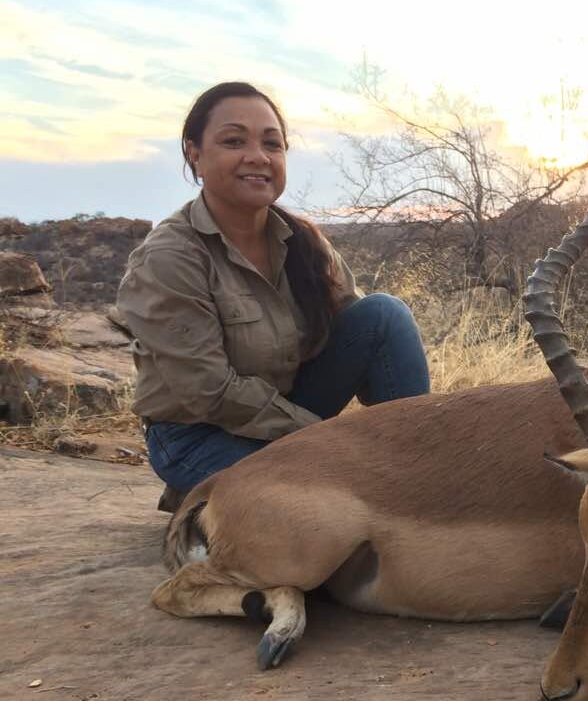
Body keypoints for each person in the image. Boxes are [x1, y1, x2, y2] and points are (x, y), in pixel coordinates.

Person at [118, 82, 430, 512]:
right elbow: (207, 391)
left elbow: (357, 336)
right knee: (331, 509)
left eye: (272, 144)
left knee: (383, 314)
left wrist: (370, 441)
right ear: (194, 153)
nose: (258, 157)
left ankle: (424, 461)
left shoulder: (303, 241)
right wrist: (327, 441)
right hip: (198, 435)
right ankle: (208, 491)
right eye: (233, 141)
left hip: (289, 412)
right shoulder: (169, 258)